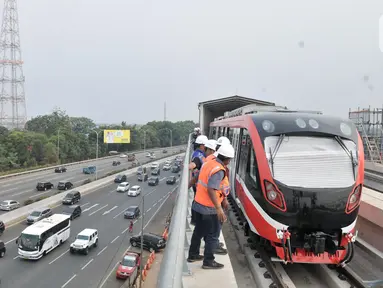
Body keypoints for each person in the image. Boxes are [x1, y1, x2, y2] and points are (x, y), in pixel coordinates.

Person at [187, 144, 235, 269]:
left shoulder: (208, 163)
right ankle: (208, 261)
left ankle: (193, 255)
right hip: (209, 209)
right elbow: (211, 189)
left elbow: (197, 178)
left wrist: (186, 187)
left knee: (198, 231)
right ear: (227, 159)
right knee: (213, 235)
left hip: (198, 205)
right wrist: (219, 209)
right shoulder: (219, 170)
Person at [188, 135, 208, 225]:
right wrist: (188, 166)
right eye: (205, 145)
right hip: (198, 183)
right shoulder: (198, 155)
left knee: (197, 200)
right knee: (197, 200)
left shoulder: (198, 153)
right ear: (201, 145)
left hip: (198, 182)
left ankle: (196, 219)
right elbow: (195, 163)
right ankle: (195, 219)